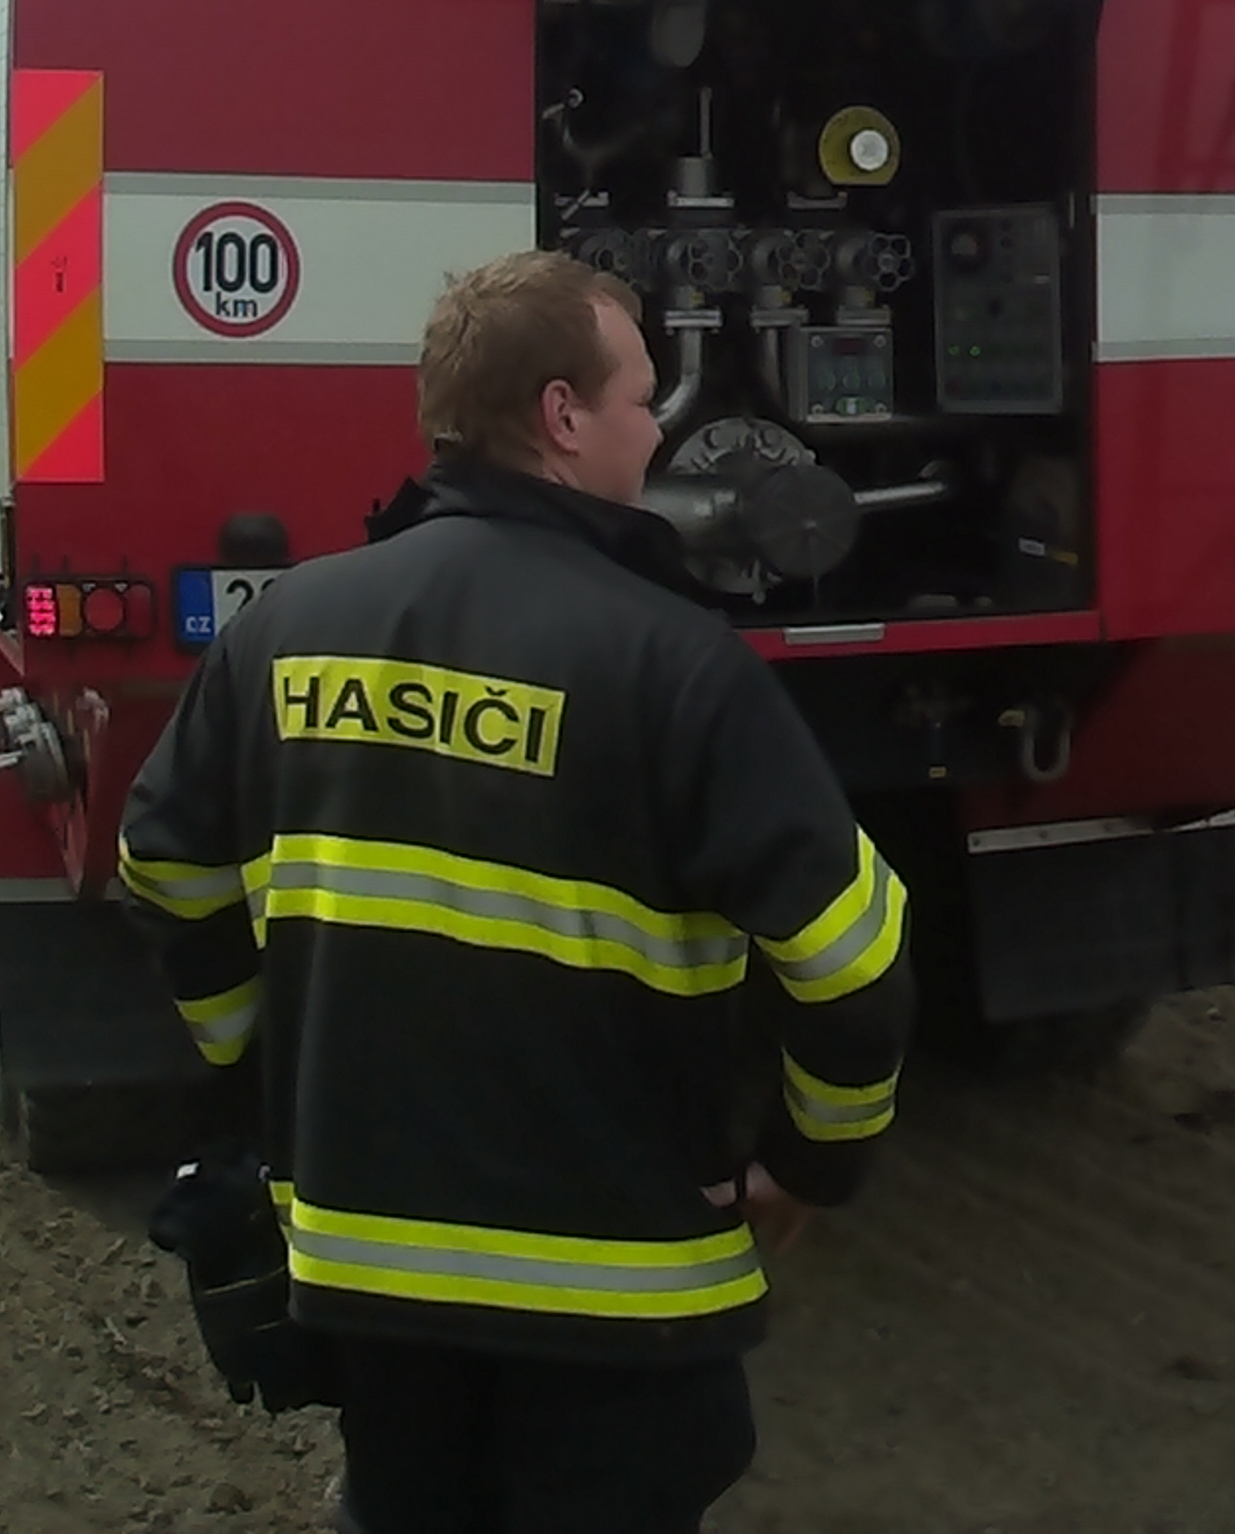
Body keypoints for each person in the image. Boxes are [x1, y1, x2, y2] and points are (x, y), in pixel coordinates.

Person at [121, 251, 912, 1533]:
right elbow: (853, 960)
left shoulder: (283, 630)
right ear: (560, 417)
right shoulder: (681, 667)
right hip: (620, 1307)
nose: (656, 427)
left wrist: (264, 1054)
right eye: (642, 397)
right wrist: (813, 1165)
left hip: (367, 1282)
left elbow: (161, 867)